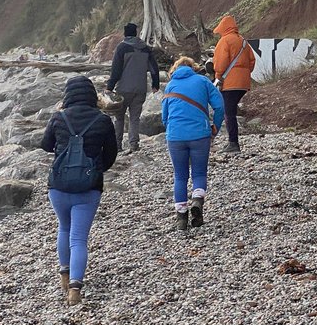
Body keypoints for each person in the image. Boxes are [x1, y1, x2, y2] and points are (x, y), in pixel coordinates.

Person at [40, 76, 117, 305]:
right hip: (88, 186)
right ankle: (75, 287)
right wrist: (96, 168)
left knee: (64, 228)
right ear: (92, 96)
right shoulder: (102, 120)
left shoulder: (59, 117)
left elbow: (45, 145)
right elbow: (111, 154)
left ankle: (64, 275)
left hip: (59, 185)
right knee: (79, 238)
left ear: (68, 95)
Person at [162, 57, 224, 231]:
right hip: (199, 134)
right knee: (199, 173)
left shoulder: (170, 85)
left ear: (174, 69)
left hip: (175, 136)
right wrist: (215, 128)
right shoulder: (203, 81)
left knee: (180, 176)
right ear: (193, 68)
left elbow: (164, 117)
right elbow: (219, 107)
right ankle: (197, 200)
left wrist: (173, 129)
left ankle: (181, 218)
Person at [106, 22, 160, 154]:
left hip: (123, 89)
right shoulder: (145, 48)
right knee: (134, 118)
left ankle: (117, 146)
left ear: (125, 34)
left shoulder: (122, 48)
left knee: (119, 117)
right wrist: (155, 84)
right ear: (135, 33)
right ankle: (133, 144)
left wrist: (109, 87)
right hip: (140, 88)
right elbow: (154, 68)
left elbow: (116, 70)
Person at [212, 15, 255, 154]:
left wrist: (218, 76)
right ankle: (232, 142)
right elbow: (252, 61)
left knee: (228, 112)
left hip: (230, 82)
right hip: (243, 82)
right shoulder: (243, 41)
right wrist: (244, 74)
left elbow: (220, 63)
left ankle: (233, 143)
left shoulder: (224, 41)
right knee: (231, 110)